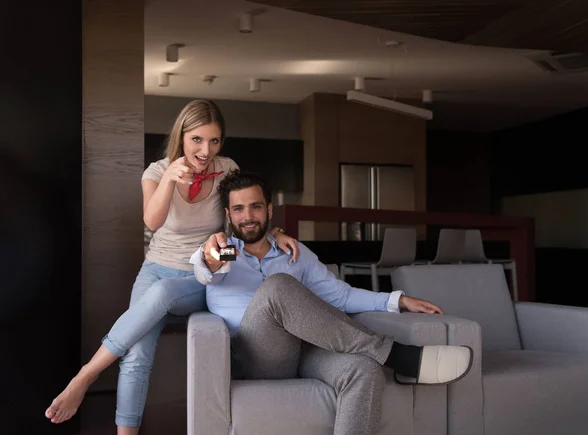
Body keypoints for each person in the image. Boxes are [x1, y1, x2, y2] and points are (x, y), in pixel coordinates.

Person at [45, 100, 300, 433]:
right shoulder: (155, 172)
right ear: (182, 136)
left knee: (167, 290)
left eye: (214, 140)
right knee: (136, 354)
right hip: (155, 267)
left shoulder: (228, 168)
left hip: (207, 271)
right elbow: (152, 221)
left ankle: (86, 374)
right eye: (197, 139)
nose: (206, 149)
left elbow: (243, 216)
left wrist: (275, 231)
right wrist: (168, 180)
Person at [191, 170, 473, 435]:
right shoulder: (226, 251)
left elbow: (340, 295)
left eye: (255, 207)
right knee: (277, 285)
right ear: (228, 215)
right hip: (255, 357)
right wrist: (212, 256)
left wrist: (397, 300)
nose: (248, 216)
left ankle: (383, 357)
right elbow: (207, 265)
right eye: (239, 209)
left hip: (302, 351)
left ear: (269, 209)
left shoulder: (294, 253)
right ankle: (396, 355)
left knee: (364, 370)